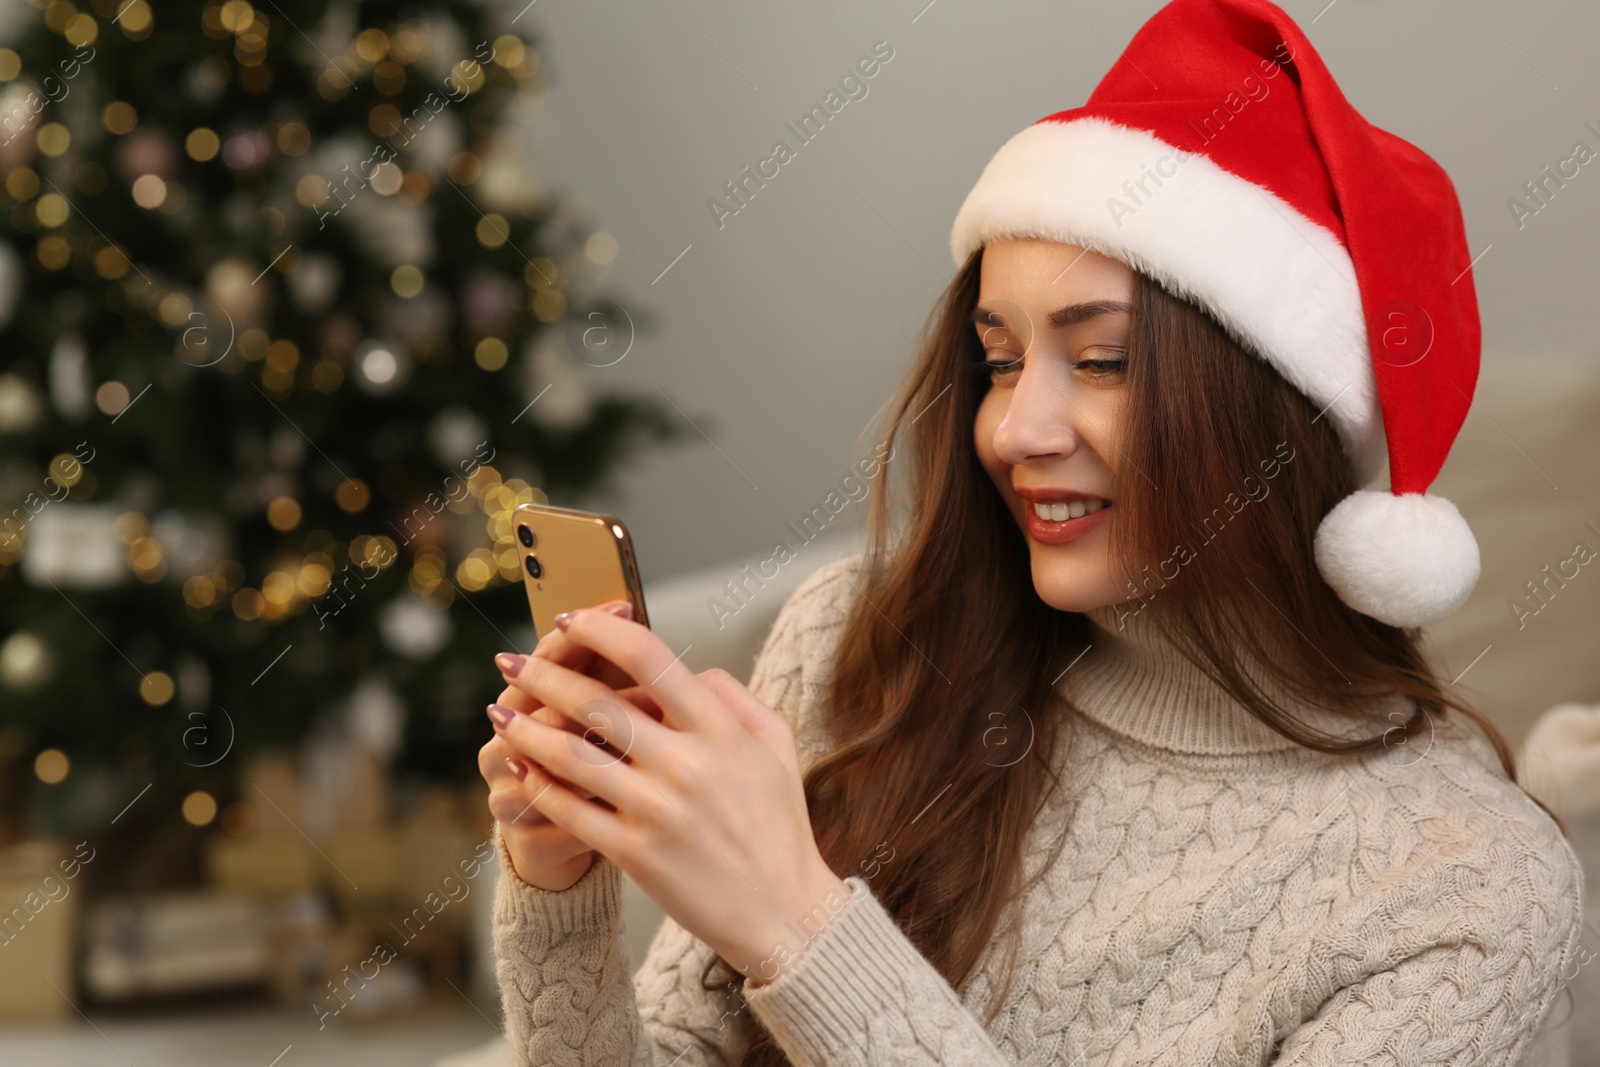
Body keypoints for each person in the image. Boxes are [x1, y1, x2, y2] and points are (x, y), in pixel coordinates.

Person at [475, 0, 1588, 1063]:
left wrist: (801, 928)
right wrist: (559, 891)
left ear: (1270, 417)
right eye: (999, 359)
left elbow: (802, 943)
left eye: (1100, 360)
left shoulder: (1464, 883)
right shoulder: (856, 648)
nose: (1014, 427)